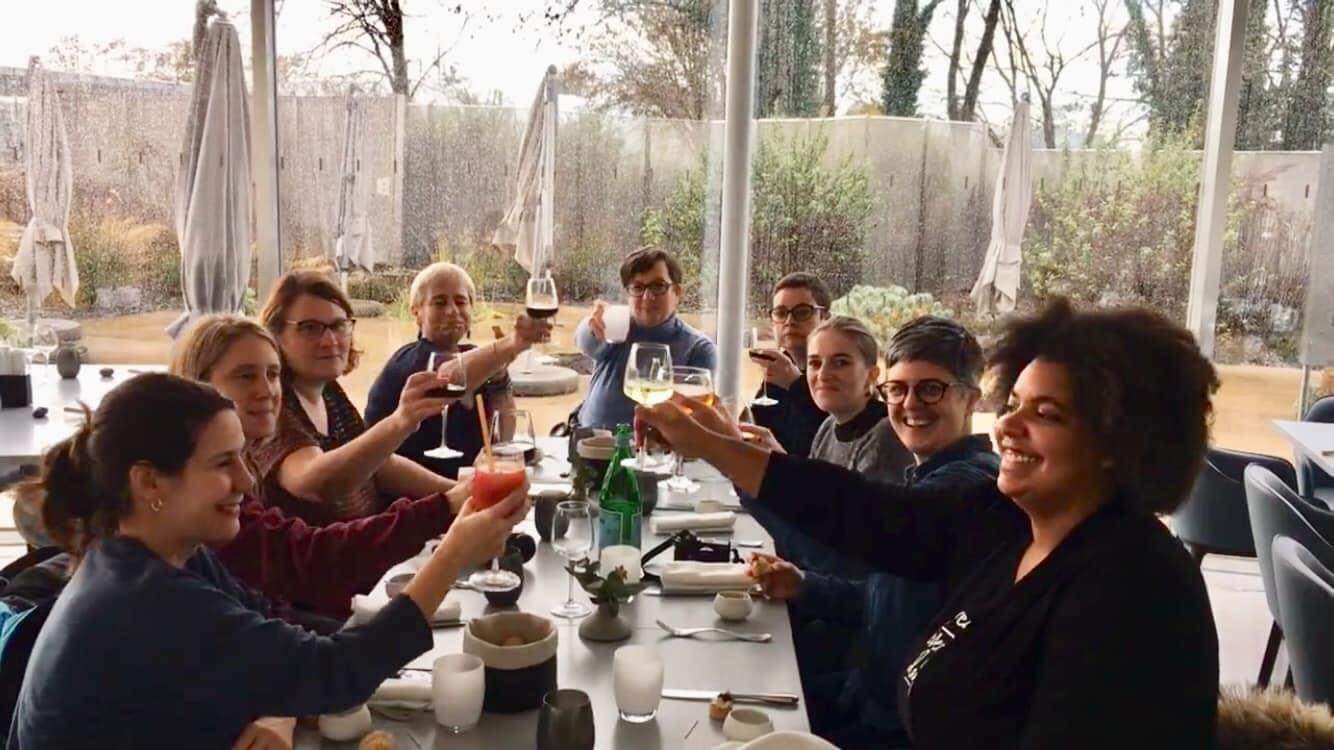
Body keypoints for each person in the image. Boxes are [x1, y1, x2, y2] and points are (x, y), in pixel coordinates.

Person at [637, 299, 1220, 749]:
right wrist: (716, 443)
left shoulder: (1131, 590)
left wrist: (719, 448)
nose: (1010, 428)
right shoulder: (1010, 521)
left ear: (1122, 441)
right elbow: (868, 516)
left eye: (1046, 414)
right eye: (1013, 404)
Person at [9, 373, 527, 748]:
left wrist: (278, 699)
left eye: (243, 456)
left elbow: (279, 628)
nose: (248, 479)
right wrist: (455, 550)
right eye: (222, 463)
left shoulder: (170, 555)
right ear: (149, 484)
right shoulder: (142, 598)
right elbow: (334, 674)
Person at [753, 316, 995, 749]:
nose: (909, 405)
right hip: (862, 693)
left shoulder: (967, 488)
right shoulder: (922, 476)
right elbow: (880, 595)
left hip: (899, 729)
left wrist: (741, 470)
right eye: (898, 390)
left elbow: (845, 551)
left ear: (971, 399)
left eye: (930, 389)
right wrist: (804, 586)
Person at [172, 314, 468, 618]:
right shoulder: (201, 486)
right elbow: (308, 556)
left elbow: (379, 464)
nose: (266, 390)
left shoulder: (331, 399)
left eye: (273, 374)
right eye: (245, 376)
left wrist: (456, 496)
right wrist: (444, 508)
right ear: (200, 385)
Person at [252, 270, 456, 525]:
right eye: (310, 328)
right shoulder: (272, 403)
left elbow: (380, 465)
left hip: (370, 544)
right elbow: (313, 483)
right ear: (276, 336)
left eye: (339, 325)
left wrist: (459, 492)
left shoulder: (329, 392)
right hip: (328, 558)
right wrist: (400, 422)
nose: (330, 341)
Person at [365, 262, 551, 478]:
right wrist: (512, 343)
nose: (452, 311)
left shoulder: (475, 359)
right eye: (439, 302)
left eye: (461, 302)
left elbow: (503, 436)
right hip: (409, 498)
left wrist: (499, 377)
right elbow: (448, 374)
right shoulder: (408, 361)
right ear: (417, 312)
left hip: (464, 487)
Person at [576, 247, 717, 430]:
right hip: (591, 443)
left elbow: (695, 416)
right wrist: (593, 326)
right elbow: (586, 343)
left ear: (677, 293)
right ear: (628, 294)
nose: (648, 297)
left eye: (658, 286)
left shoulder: (698, 348)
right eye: (637, 287)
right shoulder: (616, 327)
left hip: (658, 452)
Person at [748, 272, 833, 457]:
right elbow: (758, 433)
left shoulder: (839, 371)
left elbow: (833, 436)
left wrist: (795, 383)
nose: (789, 321)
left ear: (825, 317)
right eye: (780, 313)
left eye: (802, 312)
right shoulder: (778, 369)